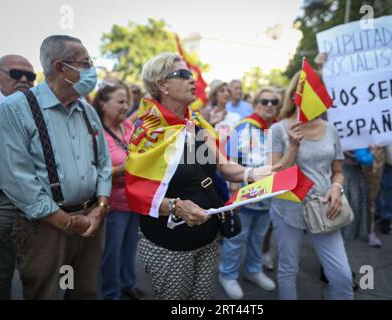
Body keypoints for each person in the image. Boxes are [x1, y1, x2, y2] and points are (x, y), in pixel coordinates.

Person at [131, 52, 276, 300]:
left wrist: (254, 174)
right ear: (162, 85)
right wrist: (176, 206)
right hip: (169, 245)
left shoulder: (196, 123)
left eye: (192, 75)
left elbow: (222, 165)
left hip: (208, 239)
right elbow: (137, 192)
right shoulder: (148, 130)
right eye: (184, 74)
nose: (193, 80)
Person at [0, 35, 112, 299]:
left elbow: (103, 162)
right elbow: (18, 179)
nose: (91, 69)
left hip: (92, 220)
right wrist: (67, 222)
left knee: (84, 291)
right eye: (85, 62)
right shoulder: (17, 108)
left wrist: (100, 207)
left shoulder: (86, 109)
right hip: (44, 227)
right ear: (60, 68)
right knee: (44, 292)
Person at [267, 72, 353, 300]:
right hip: (288, 209)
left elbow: (338, 171)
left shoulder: (330, 129)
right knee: (288, 268)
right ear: (295, 96)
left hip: (324, 209)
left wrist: (336, 188)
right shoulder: (279, 129)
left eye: (315, 90)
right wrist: (293, 146)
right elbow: (274, 173)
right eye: (304, 91)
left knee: (342, 275)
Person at [218, 87, 279, 300]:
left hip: (267, 197)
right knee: (237, 238)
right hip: (245, 196)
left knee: (258, 237)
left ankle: (253, 270)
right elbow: (230, 158)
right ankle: (228, 274)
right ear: (255, 104)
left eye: (274, 101)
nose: (269, 105)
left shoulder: (276, 129)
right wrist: (234, 192)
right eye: (264, 101)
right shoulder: (244, 127)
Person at [92, 81, 143, 300]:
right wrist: (124, 168)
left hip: (134, 200)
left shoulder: (128, 126)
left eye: (127, 102)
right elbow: (95, 173)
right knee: (110, 253)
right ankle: (111, 294)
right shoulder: (95, 134)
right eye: (120, 102)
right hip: (112, 204)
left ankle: (128, 284)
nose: (125, 107)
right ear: (103, 105)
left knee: (129, 248)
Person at [0, 54, 35, 300]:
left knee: (35, 268)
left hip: (34, 200)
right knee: (0, 271)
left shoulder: (36, 108)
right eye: (16, 74)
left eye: (30, 76)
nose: (24, 80)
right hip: (0, 200)